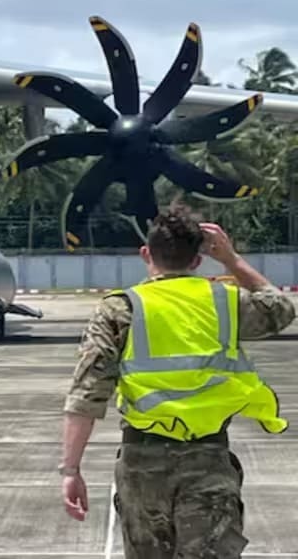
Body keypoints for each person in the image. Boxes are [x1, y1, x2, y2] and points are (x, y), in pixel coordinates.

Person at [59, 204, 295, 558]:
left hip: (143, 465)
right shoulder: (226, 303)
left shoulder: (121, 309)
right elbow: (280, 309)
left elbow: (87, 394)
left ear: (146, 253)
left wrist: (71, 469)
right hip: (209, 461)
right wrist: (231, 259)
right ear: (198, 260)